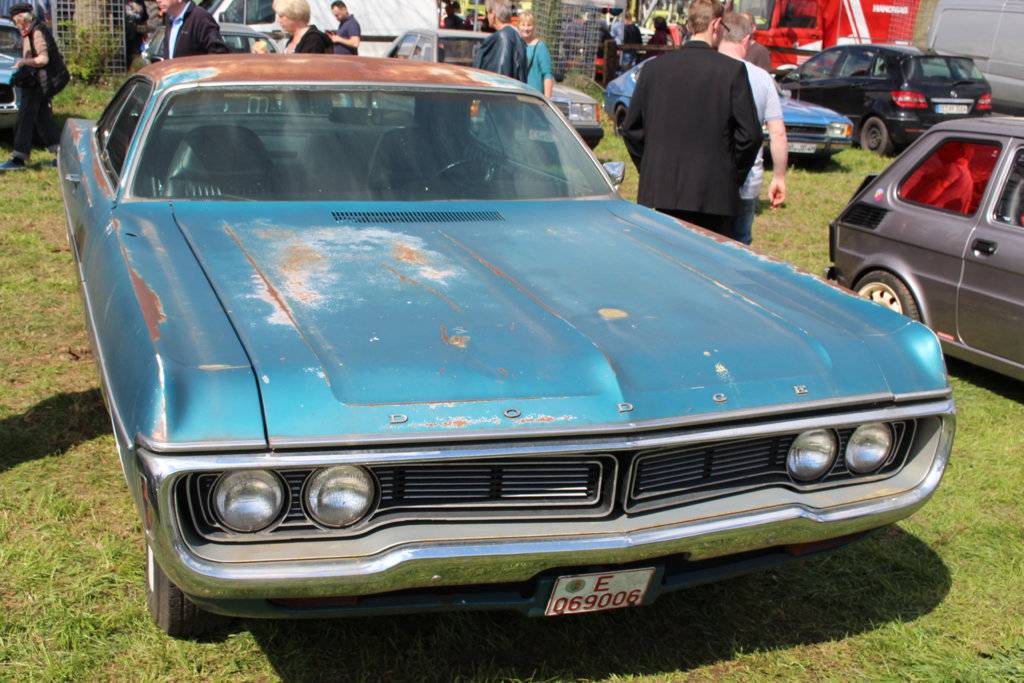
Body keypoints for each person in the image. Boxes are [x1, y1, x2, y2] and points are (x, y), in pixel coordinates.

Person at [621, 0, 761, 237]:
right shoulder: (731, 71)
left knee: (664, 256)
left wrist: (652, 167)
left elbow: (631, 129)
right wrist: (729, 173)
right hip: (713, 195)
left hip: (662, 191)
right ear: (716, 24)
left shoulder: (654, 70)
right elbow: (751, 135)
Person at [718, 12, 786, 245]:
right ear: (746, 40)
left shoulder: (706, 69)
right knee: (739, 244)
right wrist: (779, 176)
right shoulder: (762, 78)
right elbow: (777, 132)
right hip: (747, 179)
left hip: (708, 177)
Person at [0, 3, 67, 171]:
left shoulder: (36, 31)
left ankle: (18, 159)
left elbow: (43, 59)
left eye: (15, 20)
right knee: (43, 119)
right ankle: (62, 156)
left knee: (24, 119)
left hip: (37, 83)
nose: (15, 24)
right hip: (38, 82)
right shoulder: (31, 30)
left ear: (22, 17)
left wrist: (23, 62)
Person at [472, 0, 527, 82]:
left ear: (493, 14)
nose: (487, 17)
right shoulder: (514, 34)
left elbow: (500, 75)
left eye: (487, 13)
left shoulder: (502, 38)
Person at [157, 0, 227, 59]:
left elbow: (219, 54)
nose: (158, 0)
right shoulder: (170, 19)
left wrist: (198, 70)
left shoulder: (200, 18)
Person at [517, 10, 553, 97]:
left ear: (534, 27)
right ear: (518, 26)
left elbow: (547, 74)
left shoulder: (540, 47)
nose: (526, 28)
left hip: (534, 96)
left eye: (529, 25)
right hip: (517, 94)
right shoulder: (516, 44)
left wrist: (547, 99)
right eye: (523, 25)